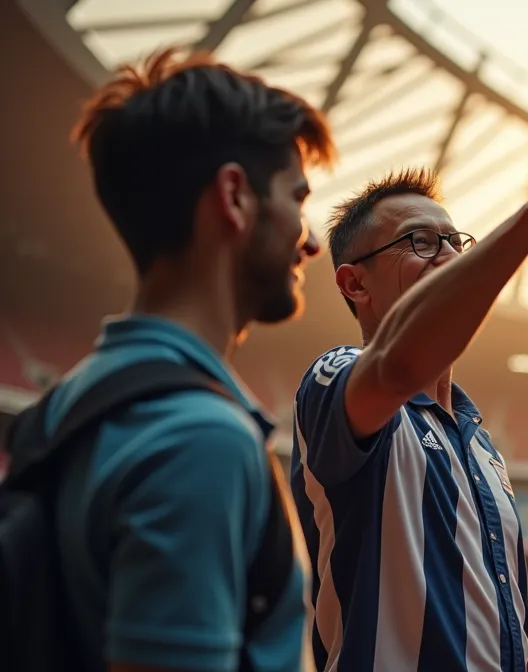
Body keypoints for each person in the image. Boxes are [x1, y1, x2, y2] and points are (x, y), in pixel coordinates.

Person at [289, 119, 528, 672]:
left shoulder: (482, 445)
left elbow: (510, 623)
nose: (449, 255)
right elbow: (398, 364)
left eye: (455, 241)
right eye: (420, 242)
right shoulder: (336, 377)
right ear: (355, 284)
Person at [36, 48, 334, 671]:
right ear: (235, 197)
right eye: (295, 198)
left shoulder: (66, 404)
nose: (309, 240)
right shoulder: (200, 440)